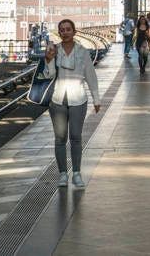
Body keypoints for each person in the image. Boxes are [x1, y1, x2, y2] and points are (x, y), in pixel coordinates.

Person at [38, 18, 101, 189]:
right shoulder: (53, 50)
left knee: (75, 137)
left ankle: (77, 174)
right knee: (60, 138)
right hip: (57, 100)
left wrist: (96, 98)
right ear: (59, 33)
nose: (65, 32)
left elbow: (90, 75)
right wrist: (49, 60)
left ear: (74, 31)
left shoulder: (82, 51)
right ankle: (63, 174)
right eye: (62, 29)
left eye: (68, 29)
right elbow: (48, 76)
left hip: (78, 99)